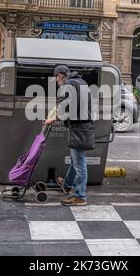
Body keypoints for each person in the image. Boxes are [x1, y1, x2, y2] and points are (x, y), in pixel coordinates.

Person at [45, 65, 95, 206]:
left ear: (60, 75)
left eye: (56, 78)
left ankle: (80, 196)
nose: (56, 81)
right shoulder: (82, 82)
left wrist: (52, 119)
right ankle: (67, 185)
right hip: (85, 125)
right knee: (75, 159)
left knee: (79, 162)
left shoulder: (67, 85)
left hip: (78, 127)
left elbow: (64, 107)